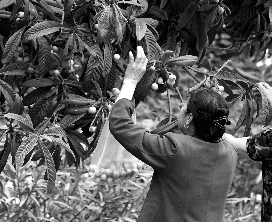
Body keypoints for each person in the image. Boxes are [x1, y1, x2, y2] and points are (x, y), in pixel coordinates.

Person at [108, 46, 271, 222]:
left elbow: (119, 124)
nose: (179, 108)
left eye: (183, 108)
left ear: (189, 118)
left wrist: (130, 82)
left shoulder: (175, 149)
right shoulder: (229, 152)